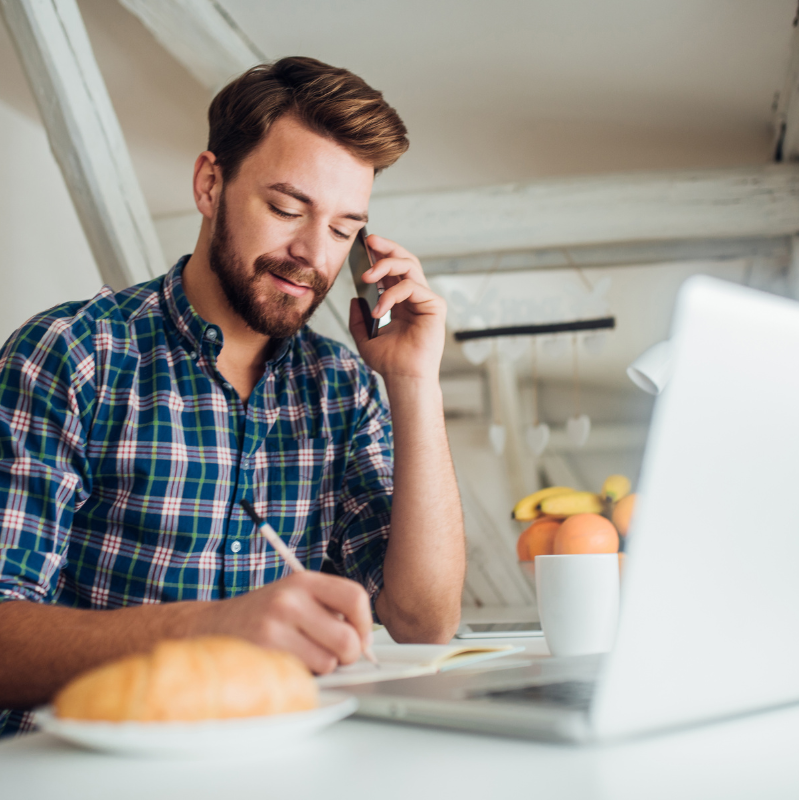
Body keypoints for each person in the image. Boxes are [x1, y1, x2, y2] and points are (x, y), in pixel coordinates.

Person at [0, 57, 465, 736]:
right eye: (286, 208)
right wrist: (213, 628)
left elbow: (425, 623)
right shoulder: (72, 355)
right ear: (210, 184)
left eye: (342, 229)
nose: (313, 252)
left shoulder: (342, 389)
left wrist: (413, 379)